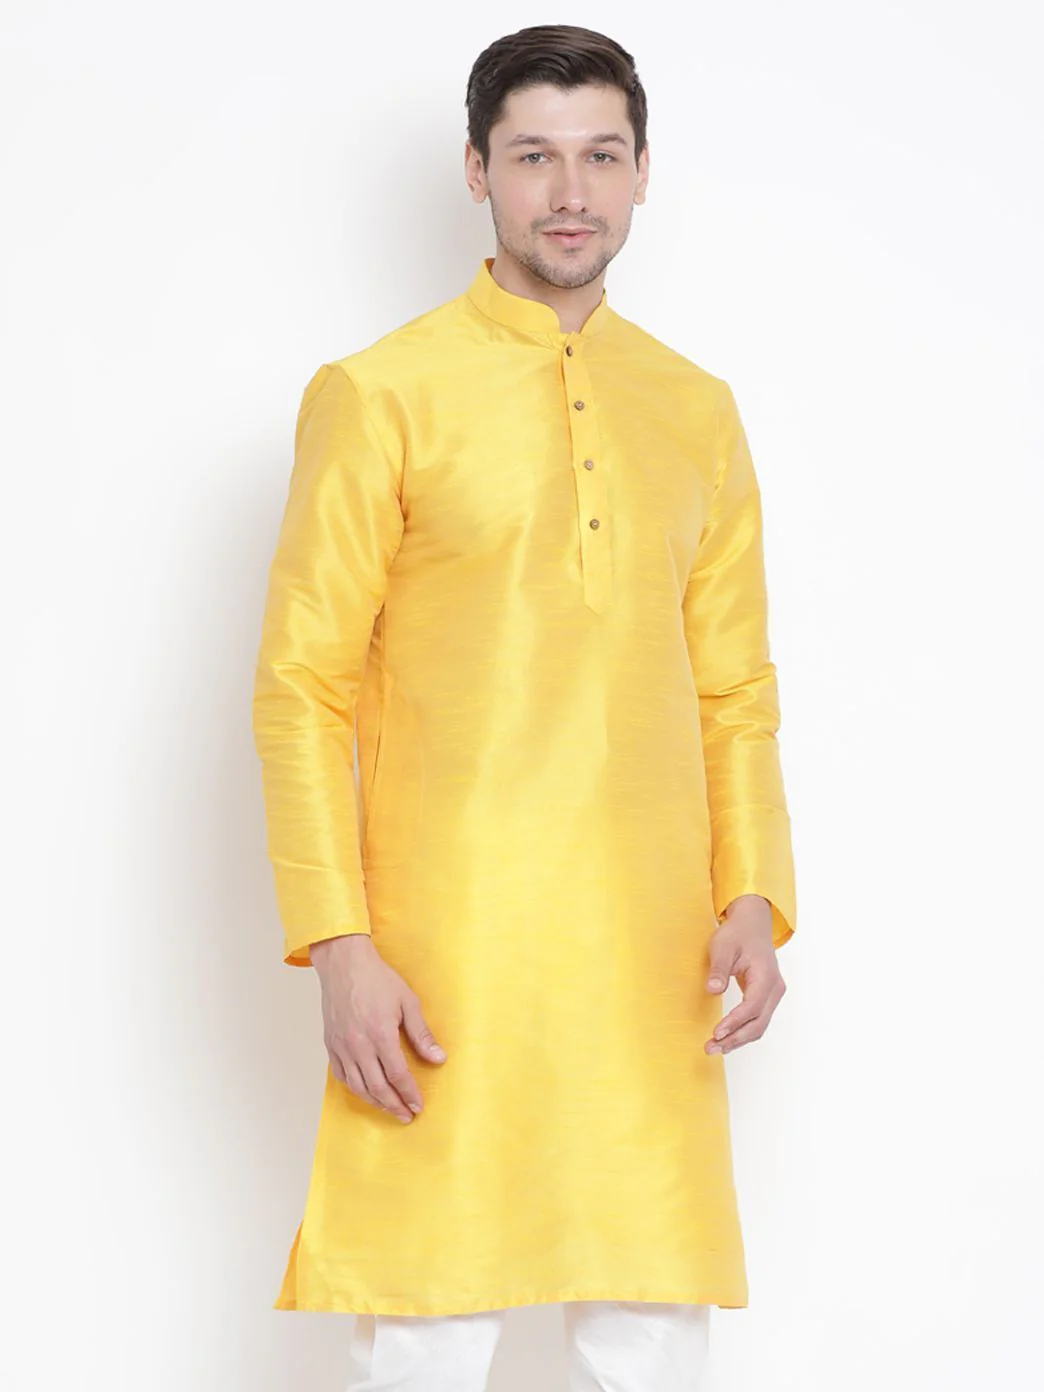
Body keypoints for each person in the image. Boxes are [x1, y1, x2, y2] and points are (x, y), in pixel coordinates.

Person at [252, 22, 798, 1391]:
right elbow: (302, 684)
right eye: (535, 156)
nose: (570, 192)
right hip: (446, 953)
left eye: (601, 156)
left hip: (650, 957)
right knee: (430, 1325)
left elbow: (735, 687)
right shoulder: (381, 394)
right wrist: (338, 942)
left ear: (644, 171)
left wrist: (754, 893)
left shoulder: (695, 410)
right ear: (476, 169)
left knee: (650, 1331)